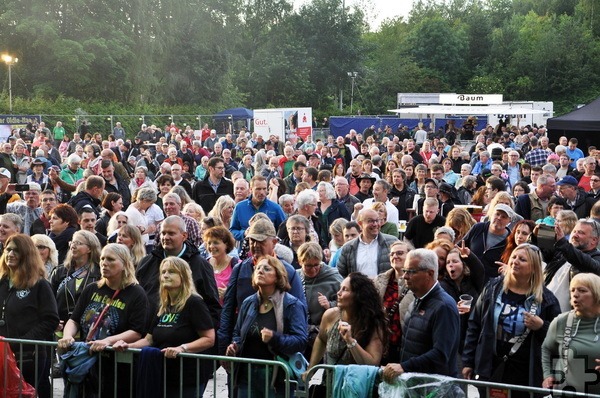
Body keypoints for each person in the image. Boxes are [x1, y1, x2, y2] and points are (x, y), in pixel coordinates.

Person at [462, 244, 561, 397]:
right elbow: (475, 325)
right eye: (514, 257)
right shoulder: (493, 288)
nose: (515, 261)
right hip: (490, 368)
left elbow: (559, 339)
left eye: (522, 259)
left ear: (534, 268)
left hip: (525, 375)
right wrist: (468, 361)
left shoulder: (547, 300)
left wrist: (542, 327)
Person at [114, 257, 215, 397]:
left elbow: (209, 339)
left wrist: (182, 348)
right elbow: (149, 340)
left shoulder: (194, 302)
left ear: (184, 276)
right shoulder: (163, 305)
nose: (166, 275)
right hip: (163, 374)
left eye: (172, 272)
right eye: (163, 272)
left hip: (187, 378)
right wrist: (128, 345)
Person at [57, 244, 149, 398]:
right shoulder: (92, 289)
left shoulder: (136, 293)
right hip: (87, 362)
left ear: (125, 264)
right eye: (102, 259)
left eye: (111, 259)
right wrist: (67, 336)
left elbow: (137, 331)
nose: (104, 263)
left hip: (117, 367)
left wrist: (108, 341)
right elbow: (74, 320)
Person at [218, 218, 306, 355]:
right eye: (252, 241)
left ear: (274, 242)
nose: (255, 245)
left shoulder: (288, 271)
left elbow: (300, 312)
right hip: (245, 353)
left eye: (261, 241)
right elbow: (228, 309)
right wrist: (225, 346)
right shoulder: (240, 268)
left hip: (277, 356)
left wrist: (277, 339)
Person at [225, 255, 308, 398]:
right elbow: (238, 333)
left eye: (266, 268)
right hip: (247, 373)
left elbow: (300, 341)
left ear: (278, 276)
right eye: (257, 268)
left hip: (276, 376)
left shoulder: (292, 305)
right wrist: (235, 346)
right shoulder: (248, 303)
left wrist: (275, 338)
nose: (260, 271)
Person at [382, 249, 460, 381]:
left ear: (430, 273)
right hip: (415, 384)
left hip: (434, 388)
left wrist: (404, 367)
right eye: (405, 271)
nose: (405, 276)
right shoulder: (416, 300)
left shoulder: (443, 306)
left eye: (411, 272)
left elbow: (441, 354)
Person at [0, 234, 59, 398]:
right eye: (8, 249)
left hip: (28, 357)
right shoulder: (1, 282)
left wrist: (22, 343)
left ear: (27, 254)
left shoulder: (39, 285)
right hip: (2, 357)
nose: (10, 254)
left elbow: (51, 320)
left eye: (16, 251)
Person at [137, 216, 221, 328]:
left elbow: (212, 305)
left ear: (184, 235)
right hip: (146, 333)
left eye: (171, 233)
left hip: (184, 337)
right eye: (163, 233)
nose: (166, 237)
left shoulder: (200, 265)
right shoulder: (147, 263)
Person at [306, 272, 386, 382]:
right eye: (340, 288)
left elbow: (372, 364)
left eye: (345, 289)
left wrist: (351, 342)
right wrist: (311, 369)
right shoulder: (330, 315)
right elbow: (321, 339)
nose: (338, 293)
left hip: (356, 387)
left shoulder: (372, 323)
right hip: (330, 384)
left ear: (358, 295)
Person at [541, 273, 600, 395]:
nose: (575, 294)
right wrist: (547, 375)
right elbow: (546, 348)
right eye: (572, 290)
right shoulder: (561, 321)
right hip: (564, 394)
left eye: (582, 290)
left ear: (597, 295)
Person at [51, 230, 102, 335]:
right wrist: (52, 320)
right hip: (61, 331)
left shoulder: (100, 273)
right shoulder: (60, 271)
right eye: (72, 242)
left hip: (89, 333)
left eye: (78, 243)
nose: (73, 246)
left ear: (90, 248)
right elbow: (50, 300)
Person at [296, 242, 343, 359]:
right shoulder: (295, 277)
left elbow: (348, 304)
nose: (313, 269)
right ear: (300, 262)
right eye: (308, 266)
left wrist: (330, 305)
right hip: (300, 332)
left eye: (316, 265)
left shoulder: (334, 278)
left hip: (324, 334)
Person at [373, 241, 415, 364]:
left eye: (400, 253)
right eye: (392, 254)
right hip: (382, 341)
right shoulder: (379, 280)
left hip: (405, 342)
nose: (395, 256)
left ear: (410, 256)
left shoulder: (416, 281)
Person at [336, 208, 398, 277]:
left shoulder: (392, 243)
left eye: (377, 220)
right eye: (370, 221)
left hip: (385, 287)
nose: (375, 224)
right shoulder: (348, 248)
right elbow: (340, 275)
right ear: (360, 224)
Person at [463, 203, 514, 282]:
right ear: (491, 214)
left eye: (504, 217)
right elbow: (460, 246)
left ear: (509, 221)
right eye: (497, 214)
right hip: (468, 277)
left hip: (491, 283)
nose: (499, 218)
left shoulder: (510, 241)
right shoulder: (478, 228)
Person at [230, 175, 286, 242]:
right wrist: (244, 233)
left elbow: (284, 231)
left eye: (264, 189)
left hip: (268, 250)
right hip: (246, 249)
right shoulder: (240, 207)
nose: (262, 192)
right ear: (251, 190)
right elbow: (232, 231)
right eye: (258, 189)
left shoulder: (275, 208)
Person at [203, 226, 239, 304]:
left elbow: (243, 292)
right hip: (208, 313)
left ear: (226, 244)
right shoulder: (204, 265)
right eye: (209, 243)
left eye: (216, 242)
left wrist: (228, 293)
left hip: (229, 313)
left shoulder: (237, 265)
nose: (211, 246)